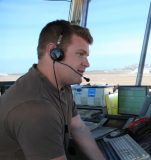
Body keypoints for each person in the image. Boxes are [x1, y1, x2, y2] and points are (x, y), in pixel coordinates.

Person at [0, 20, 105, 160]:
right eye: (80, 54)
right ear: (54, 53)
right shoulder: (35, 107)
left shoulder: (62, 86)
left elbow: (78, 127)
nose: (87, 63)